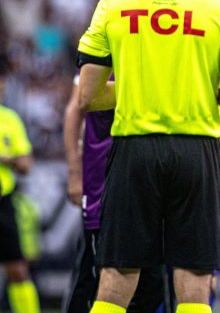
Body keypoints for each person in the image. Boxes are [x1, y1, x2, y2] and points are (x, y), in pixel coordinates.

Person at [76, 0, 220, 313]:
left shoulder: (116, 0)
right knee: (194, 279)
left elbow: (87, 97)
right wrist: (190, 88)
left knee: (117, 276)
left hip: (133, 151)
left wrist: (144, 88)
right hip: (197, 152)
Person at [62, 74, 168, 313]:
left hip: (149, 181)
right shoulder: (105, 41)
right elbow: (76, 107)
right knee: (93, 274)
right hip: (103, 180)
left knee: (152, 282)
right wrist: (74, 172)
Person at [0, 67, 40, 313]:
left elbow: (26, 163)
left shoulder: (10, 119)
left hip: (3, 202)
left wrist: (5, 159)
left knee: (17, 268)